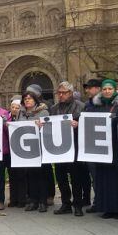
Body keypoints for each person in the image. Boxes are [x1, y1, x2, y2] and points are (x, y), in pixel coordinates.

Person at [88, 79, 118, 219]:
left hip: (117, 146)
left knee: (117, 178)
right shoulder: (96, 105)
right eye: (105, 89)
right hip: (101, 147)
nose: (107, 91)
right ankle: (106, 207)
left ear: (115, 90)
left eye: (110, 89)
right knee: (103, 178)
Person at [49, 81, 87, 216]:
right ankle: (66, 203)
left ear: (70, 93)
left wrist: (79, 124)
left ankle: (77, 204)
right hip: (59, 148)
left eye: (63, 93)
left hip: (75, 147)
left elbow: (88, 126)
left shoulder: (81, 107)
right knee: (61, 176)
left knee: (76, 177)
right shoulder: (53, 109)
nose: (60, 95)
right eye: (59, 93)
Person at [13, 90, 50, 212]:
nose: (27, 100)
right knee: (30, 175)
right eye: (25, 98)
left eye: (30, 98)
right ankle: (33, 200)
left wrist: (42, 126)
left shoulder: (43, 112)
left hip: (39, 147)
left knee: (41, 175)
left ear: (35, 100)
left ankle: (43, 201)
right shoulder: (20, 113)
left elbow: (49, 128)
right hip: (26, 149)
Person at [82, 79, 102, 212]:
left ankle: (102, 202)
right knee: (94, 176)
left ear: (97, 89)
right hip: (90, 144)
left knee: (100, 176)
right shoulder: (87, 104)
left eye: (90, 88)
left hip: (101, 144)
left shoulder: (102, 104)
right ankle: (97, 202)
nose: (87, 90)